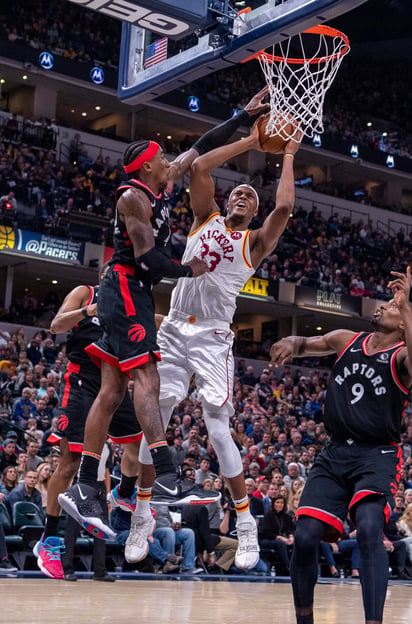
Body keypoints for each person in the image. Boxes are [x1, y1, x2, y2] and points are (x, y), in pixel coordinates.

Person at [59, 89, 270, 542]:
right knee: (149, 381)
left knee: (115, 388)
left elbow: (201, 149)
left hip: (133, 291)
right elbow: (150, 260)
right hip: (127, 286)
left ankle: (87, 487)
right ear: (147, 166)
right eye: (162, 157)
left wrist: (243, 118)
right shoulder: (133, 199)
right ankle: (168, 471)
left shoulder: (160, 182)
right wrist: (187, 268)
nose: (170, 159)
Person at [135, 114, 301, 569]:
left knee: (218, 428)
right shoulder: (204, 217)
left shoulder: (254, 243)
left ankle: (246, 524)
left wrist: (287, 155)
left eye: (252, 197)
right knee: (161, 409)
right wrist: (249, 140)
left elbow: (283, 210)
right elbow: (199, 168)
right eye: (240, 192)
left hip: (211, 337)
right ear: (228, 201)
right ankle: (143, 512)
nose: (245, 196)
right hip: (172, 327)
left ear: (252, 213)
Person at [270, 267, 412, 624]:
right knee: (304, 536)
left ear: (402, 325)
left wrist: (407, 305)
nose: (382, 307)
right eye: (383, 304)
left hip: (376, 454)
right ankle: (304, 618)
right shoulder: (346, 339)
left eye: (390, 308)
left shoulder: (400, 357)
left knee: (368, 527)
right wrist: (291, 343)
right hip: (334, 453)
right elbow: (304, 345)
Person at [33, 268, 144, 580]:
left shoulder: (131, 305)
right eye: (113, 272)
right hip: (83, 381)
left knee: (139, 447)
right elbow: (56, 325)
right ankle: (49, 542)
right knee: (70, 464)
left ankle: (124, 494)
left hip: (118, 382)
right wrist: (86, 311)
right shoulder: (86, 292)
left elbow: (161, 323)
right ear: (103, 275)